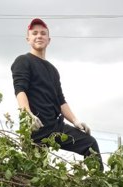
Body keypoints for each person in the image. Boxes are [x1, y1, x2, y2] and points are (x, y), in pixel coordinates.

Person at [11, 18, 103, 170]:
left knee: (90, 143)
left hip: (55, 126)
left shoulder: (53, 70)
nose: (39, 36)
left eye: (43, 33)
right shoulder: (23, 61)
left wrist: (75, 121)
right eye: (34, 33)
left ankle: (99, 186)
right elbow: (20, 90)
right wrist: (27, 115)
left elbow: (60, 100)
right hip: (35, 128)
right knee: (36, 173)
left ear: (49, 39)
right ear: (28, 39)